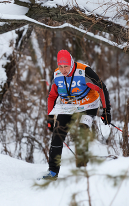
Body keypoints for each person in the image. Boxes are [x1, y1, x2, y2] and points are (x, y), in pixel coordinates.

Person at [42, 50, 111, 180]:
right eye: (60, 66)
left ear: (72, 63)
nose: (63, 70)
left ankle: (82, 169)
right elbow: (51, 96)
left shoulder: (84, 72)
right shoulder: (57, 75)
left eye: (66, 66)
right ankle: (52, 171)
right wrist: (50, 117)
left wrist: (106, 111)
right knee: (57, 135)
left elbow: (102, 88)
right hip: (68, 107)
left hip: (88, 105)